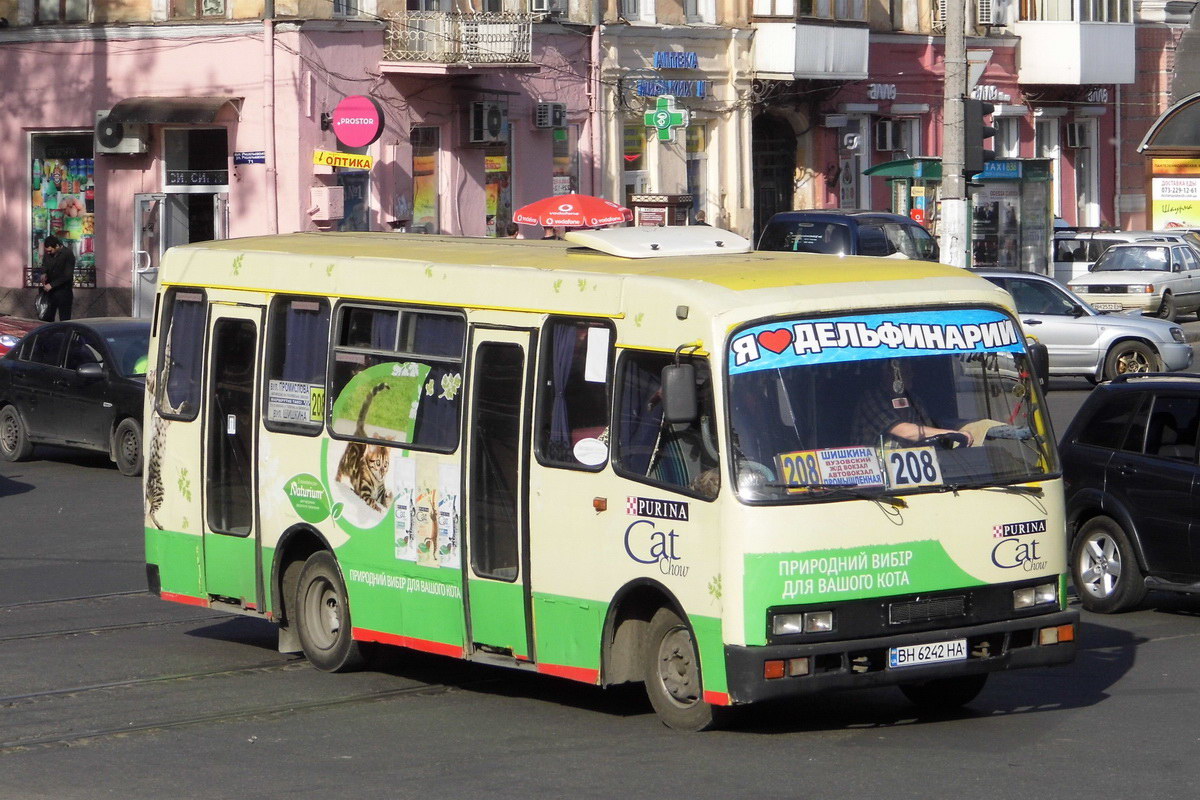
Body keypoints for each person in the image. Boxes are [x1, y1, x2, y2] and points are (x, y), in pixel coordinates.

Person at [852, 358, 976, 448]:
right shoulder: (872, 399)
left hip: (914, 472)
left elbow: (927, 430)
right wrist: (951, 433)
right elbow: (906, 432)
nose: (912, 375)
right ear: (890, 374)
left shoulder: (913, 400)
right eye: (905, 372)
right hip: (878, 474)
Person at [40, 235, 75, 321]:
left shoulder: (68, 254)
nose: (48, 253)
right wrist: (44, 273)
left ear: (57, 246)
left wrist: (52, 285)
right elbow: (44, 264)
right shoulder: (48, 254)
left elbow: (67, 275)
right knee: (47, 317)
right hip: (50, 293)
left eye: (50, 251)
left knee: (64, 318)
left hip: (63, 291)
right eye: (47, 251)